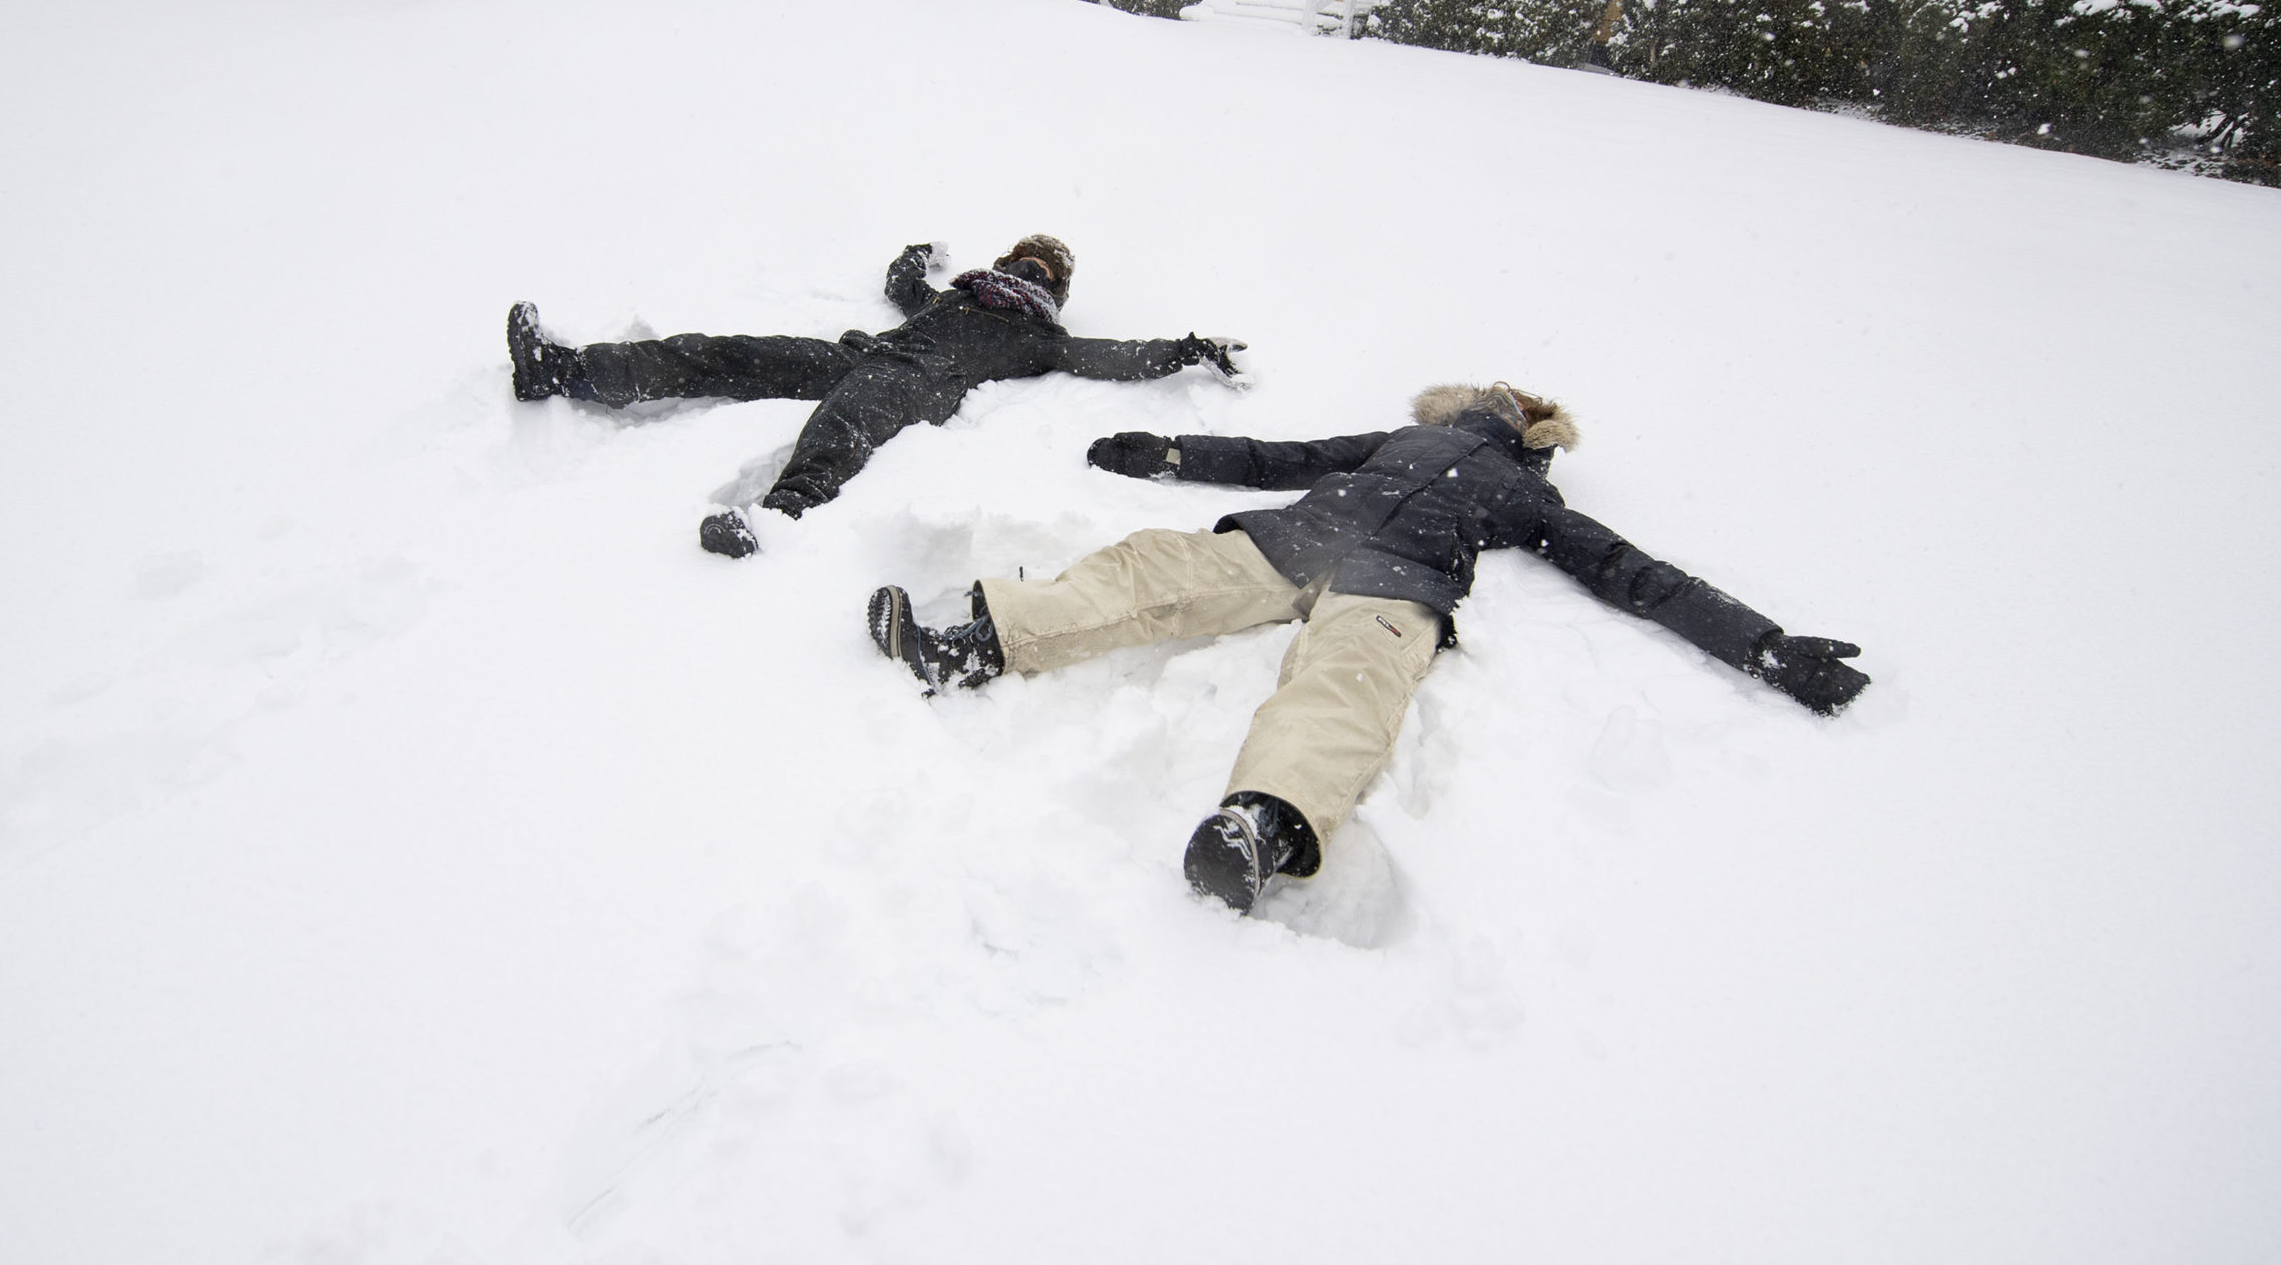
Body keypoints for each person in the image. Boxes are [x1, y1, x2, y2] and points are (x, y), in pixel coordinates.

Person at [865, 383, 1868, 912]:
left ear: (1533, 434)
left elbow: (1630, 573)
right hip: (1289, 543)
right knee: (1149, 568)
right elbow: (1280, 457)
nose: (1499, 403)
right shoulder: (1402, 441)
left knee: (1345, 691)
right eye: (1493, 394)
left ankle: (1260, 827)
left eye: (1516, 405)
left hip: (1397, 588)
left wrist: (1764, 646)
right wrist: (1170, 454)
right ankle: (969, 645)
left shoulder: (1526, 493)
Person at [508, 236, 1245, 556]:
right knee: (728, 354)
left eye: (1043, 268)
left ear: (1055, 291)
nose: (1028, 269)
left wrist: (1186, 349)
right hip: (862, 353)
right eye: (1022, 256)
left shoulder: (1039, 339)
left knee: (845, 424)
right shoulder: (955, 297)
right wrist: (917, 256)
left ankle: (776, 519)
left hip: (918, 382)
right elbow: (901, 287)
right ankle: (566, 370)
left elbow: (1116, 357)